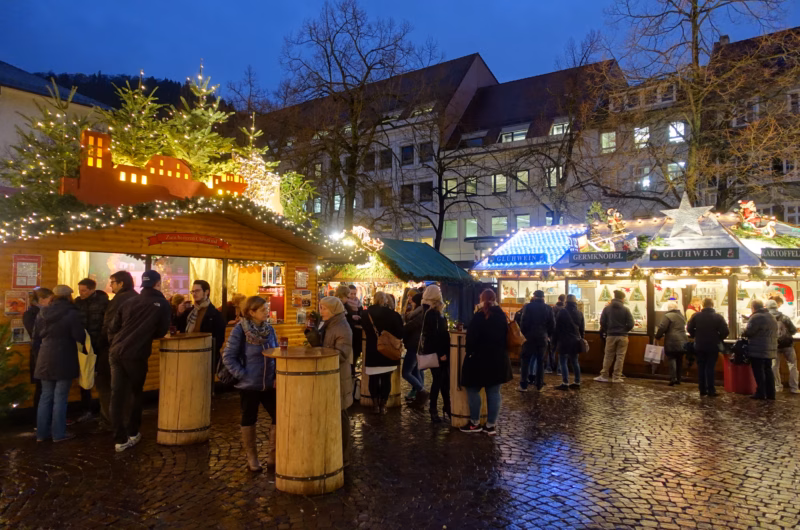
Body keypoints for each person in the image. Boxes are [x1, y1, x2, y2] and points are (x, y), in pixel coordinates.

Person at [108, 270, 171, 452]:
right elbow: (160, 332)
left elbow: (113, 326)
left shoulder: (129, 301)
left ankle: (119, 440)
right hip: (136, 354)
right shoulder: (162, 304)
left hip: (116, 352)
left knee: (117, 395)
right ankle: (133, 432)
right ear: (158, 283)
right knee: (136, 393)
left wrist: (116, 343)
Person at [223, 296, 279, 472]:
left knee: (279, 416)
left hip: (269, 383)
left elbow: (276, 352)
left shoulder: (269, 329)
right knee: (249, 418)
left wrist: (277, 375)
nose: (267, 312)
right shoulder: (240, 330)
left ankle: (273, 456)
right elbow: (228, 356)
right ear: (251, 312)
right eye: (263, 309)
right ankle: (252, 458)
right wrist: (243, 375)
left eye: (266, 308)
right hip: (248, 385)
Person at [33, 285, 84, 442]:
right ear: (69, 296)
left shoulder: (42, 312)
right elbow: (79, 336)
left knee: (45, 396)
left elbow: (36, 334)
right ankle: (58, 434)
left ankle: (41, 434)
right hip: (64, 358)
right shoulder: (72, 313)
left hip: (44, 357)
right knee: (60, 397)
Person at [460, 289, 511, 434]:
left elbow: (471, 339)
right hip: (498, 359)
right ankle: (491, 425)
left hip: (479, 359)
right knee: (494, 392)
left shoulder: (478, 316)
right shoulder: (502, 316)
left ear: (481, 299)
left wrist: (469, 353)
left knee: (472, 389)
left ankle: (475, 423)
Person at [317, 296, 354, 465]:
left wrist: (321, 351)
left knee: (341, 414)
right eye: (320, 308)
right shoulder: (328, 324)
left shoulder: (342, 327)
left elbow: (342, 354)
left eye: (323, 308)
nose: (321, 311)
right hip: (329, 375)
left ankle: (344, 455)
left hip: (339, 375)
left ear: (333, 310)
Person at [99, 271, 137, 430]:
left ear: (121, 283)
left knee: (108, 385)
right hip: (133, 349)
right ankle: (126, 420)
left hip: (115, 348)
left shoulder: (119, 300)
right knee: (127, 387)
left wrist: (101, 342)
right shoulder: (137, 297)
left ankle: (113, 421)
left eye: (113, 282)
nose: (110, 285)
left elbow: (109, 325)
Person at [74, 277, 109, 423]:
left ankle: (104, 410)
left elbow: (106, 323)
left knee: (102, 378)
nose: (81, 293)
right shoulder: (77, 302)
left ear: (92, 289)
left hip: (100, 345)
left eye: (84, 290)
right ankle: (86, 409)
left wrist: (102, 340)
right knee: (85, 376)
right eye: (80, 290)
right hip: (84, 346)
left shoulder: (103, 302)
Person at [362, 292, 404, 414]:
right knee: (386, 379)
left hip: (372, 351)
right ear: (385, 301)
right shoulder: (393, 315)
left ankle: (375, 404)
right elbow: (400, 333)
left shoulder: (365, 314)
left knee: (373, 379)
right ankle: (383, 405)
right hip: (388, 352)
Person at [175, 280, 226, 371]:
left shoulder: (215, 314)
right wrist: (179, 314)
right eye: (193, 291)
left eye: (197, 291)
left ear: (206, 292)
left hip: (205, 357)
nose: (194, 294)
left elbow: (219, 339)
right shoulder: (189, 312)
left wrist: (207, 352)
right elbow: (179, 329)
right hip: (186, 354)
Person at [686, 298, 729, 397]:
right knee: (710, 367)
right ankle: (711, 389)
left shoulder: (696, 316)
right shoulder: (718, 317)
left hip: (699, 345)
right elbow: (725, 332)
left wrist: (695, 335)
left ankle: (702, 389)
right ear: (712, 305)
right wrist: (718, 337)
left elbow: (689, 328)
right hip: (713, 345)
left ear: (703, 305)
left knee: (701, 367)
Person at [420, 285, 451, 423]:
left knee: (443, 380)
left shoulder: (433, 312)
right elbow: (434, 336)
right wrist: (441, 353)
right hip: (437, 353)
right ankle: (434, 410)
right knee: (438, 381)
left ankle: (446, 407)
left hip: (438, 352)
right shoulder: (432, 313)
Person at [23, 287, 53, 416]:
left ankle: (44, 419)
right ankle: (39, 419)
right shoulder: (32, 314)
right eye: (50, 300)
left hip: (43, 352)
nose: (52, 303)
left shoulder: (40, 312)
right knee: (42, 388)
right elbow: (37, 334)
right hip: (40, 353)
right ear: (42, 299)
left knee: (45, 388)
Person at [595, 290, 634, 383]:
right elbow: (631, 323)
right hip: (623, 336)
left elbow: (602, 322)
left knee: (608, 355)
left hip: (611, 335)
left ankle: (604, 375)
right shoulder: (626, 309)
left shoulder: (607, 309)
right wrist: (624, 330)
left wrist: (608, 329)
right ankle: (616, 377)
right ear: (622, 298)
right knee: (620, 356)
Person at [519, 290, 555, 392]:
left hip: (529, 337)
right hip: (542, 337)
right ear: (543, 297)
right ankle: (539, 385)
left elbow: (523, 322)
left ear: (534, 296)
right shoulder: (548, 308)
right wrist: (548, 335)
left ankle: (523, 385)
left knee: (525, 360)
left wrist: (524, 334)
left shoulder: (528, 307)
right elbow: (552, 324)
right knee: (540, 361)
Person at [743, 299, 778, 400]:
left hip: (758, 349)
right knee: (768, 370)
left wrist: (744, 331)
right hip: (770, 348)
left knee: (759, 371)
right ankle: (771, 393)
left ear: (753, 308)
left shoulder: (755, 317)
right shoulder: (771, 316)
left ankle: (761, 393)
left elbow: (749, 332)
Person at [402, 292, 428, 406]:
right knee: (416, 370)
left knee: (406, 373)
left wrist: (401, 328)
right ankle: (420, 396)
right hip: (417, 345)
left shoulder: (420, 313)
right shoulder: (422, 312)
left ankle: (422, 391)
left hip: (414, 345)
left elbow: (410, 326)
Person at [767, 299, 799, 394]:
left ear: (767, 307)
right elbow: (793, 330)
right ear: (777, 307)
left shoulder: (767, 318)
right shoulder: (785, 317)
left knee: (774, 366)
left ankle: (777, 387)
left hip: (773, 345)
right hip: (787, 344)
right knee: (792, 365)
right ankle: (794, 388)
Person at [554, 294, 584, 390]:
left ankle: (565, 382)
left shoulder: (562, 312)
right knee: (575, 361)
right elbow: (582, 329)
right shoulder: (580, 313)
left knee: (563, 361)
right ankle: (577, 381)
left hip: (563, 340)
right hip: (575, 340)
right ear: (575, 302)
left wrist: (554, 340)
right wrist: (581, 339)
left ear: (566, 302)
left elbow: (557, 327)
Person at [655, 301, 688, 386]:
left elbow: (662, 327)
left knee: (671, 358)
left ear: (668, 308)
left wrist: (658, 336)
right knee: (679, 359)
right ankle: (679, 379)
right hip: (683, 340)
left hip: (672, 340)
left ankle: (673, 378)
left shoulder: (667, 316)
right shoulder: (681, 316)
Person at [548, 294, 566, 374]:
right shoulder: (565, 310)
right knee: (561, 352)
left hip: (553, 332)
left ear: (558, 299)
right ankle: (559, 369)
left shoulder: (553, 309)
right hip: (562, 333)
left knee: (552, 350)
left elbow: (550, 321)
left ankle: (549, 368)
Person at [346, 285, 363, 371]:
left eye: (354, 294)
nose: (353, 296)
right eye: (351, 294)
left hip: (357, 332)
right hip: (349, 331)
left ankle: (353, 370)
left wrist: (360, 317)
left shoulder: (359, 303)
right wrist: (352, 317)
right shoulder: (345, 304)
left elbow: (362, 314)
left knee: (356, 353)